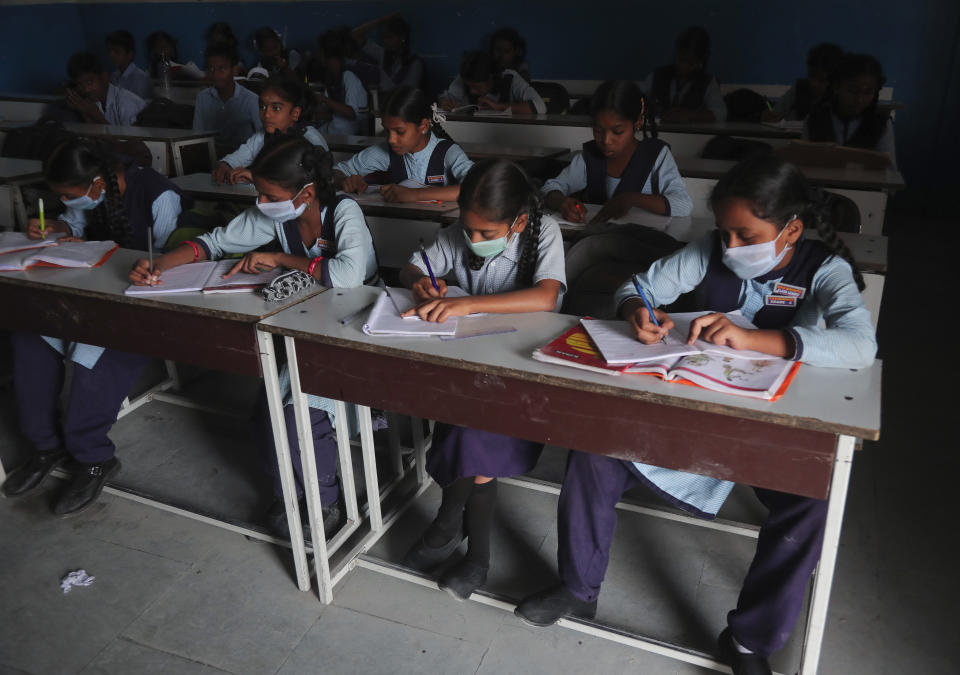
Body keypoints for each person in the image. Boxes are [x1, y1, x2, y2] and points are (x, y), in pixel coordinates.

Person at [515, 155, 877, 675]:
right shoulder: (706, 251)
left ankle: (751, 639)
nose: (730, 248)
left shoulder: (825, 268)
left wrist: (759, 340)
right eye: (724, 233)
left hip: (770, 424)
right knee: (594, 448)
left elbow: (860, 345)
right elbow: (637, 287)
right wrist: (636, 311)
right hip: (691, 405)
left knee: (810, 498)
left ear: (791, 229)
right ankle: (578, 586)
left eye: (745, 235)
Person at [129, 137, 379, 537]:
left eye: (268, 195)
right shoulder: (276, 213)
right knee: (269, 410)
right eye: (259, 194)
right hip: (303, 319)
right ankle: (287, 490)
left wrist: (281, 258)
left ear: (307, 193)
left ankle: (326, 497)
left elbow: (349, 276)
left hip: (353, 324)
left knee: (302, 409)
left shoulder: (343, 211)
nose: (261, 202)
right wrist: (158, 265)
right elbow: (214, 242)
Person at [398, 159, 566, 599]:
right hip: (469, 361)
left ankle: (459, 536)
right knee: (461, 423)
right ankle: (461, 541)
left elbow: (548, 297)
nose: (473, 240)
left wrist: (467, 304)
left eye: (486, 234)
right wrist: (421, 285)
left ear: (519, 221)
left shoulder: (543, 231)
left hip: (522, 369)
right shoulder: (461, 233)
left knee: (472, 433)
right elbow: (412, 267)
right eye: (467, 229)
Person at [1, 139, 188, 515]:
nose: (68, 202)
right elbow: (76, 228)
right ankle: (45, 445)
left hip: (136, 306)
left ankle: (93, 457)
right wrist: (55, 227)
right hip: (84, 294)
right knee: (28, 339)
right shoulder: (90, 191)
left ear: (98, 186)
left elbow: (165, 261)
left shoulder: (158, 195)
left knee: (93, 360)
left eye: (70, 196)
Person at [541, 80, 691, 311]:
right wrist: (562, 201)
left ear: (637, 123)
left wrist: (629, 198)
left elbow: (682, 204)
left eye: (617, 131)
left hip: (638, 250)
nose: (606, 140)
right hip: (594, 250)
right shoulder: (589, 157)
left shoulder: (655, 156)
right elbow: (549, 187)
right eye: (598, 131)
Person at [335, 85, 472, 203]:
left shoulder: (448, 152)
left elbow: (476, 187)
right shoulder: (387, 151)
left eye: (399, 132)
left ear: (423, 126)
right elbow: (336, 171)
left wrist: (414, 195)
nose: (391, 140)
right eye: (387, 131)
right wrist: (344, 181)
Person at [212, 72, 327, 184]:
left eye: (276, 108)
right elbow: (236, 158)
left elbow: (316, 178)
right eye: (262, 107)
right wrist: (225, 165)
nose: (266, 114)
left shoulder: (310, 138)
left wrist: (257, 177)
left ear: (295, 113)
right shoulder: (262, 136)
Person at [804, 53, 896, 168]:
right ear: (836, 87)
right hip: (820, 185)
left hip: (865, 186)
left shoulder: (882, 124)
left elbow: (889, 171)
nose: (860, 99)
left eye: (868, 93)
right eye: (853, 91)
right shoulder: (815, 119)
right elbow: (803, 164)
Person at [641, 26, 726, 122]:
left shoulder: (707, 82)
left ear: (701, 62)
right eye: (681, 59)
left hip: (690, 134)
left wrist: (690, 115)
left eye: (690, 63)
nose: (683, 66)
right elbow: (636, 102)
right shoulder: (657, 76)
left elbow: (721, 113)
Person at [193, 43, 262, 155]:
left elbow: (261, 137)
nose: (215, 74)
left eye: (221, 69)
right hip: (211, 158)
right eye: (211, 68)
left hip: (243, 160)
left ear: (234, 70)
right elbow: (197, 134)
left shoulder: (251, 100)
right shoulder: (202, 98)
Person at [438, 50, 545, 114]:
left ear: (491, 78)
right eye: (468, 86)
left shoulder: (511, 79)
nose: (472, 91)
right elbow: (444, 98)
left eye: (477, 87)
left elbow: (539, 107)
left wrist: (499, 106)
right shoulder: (465, 78)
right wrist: (444, 102)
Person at [765, 43, 844, 122]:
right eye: (811, 76)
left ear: (834, 82)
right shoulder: (800, 88)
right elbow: (775, 114)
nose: (814, 84)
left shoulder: (838, 98)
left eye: (822, 80)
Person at [65, 51, 146, 127]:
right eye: (80, 84)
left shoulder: (126, 103)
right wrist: (85, 113)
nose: (86, 89)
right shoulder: (92, 102)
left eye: (90, 82)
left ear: (104, 78)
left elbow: (132, 141)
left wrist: (96, 116)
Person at [352, 13, 426, 94]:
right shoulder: (383, 54)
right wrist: (382, 20)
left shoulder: (414, 62)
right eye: (384, 37)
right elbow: (354, 36)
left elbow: (407, 93)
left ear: (402, 37)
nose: (386, 41)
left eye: (390, 37)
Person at [314, 28, 369, 135]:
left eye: (319, 51)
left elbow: (351, 113)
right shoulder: (332, 77)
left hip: (349, 134)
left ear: (326, 53)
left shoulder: (349, 76)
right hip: (334, 129)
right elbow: (334, 114)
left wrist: (323, 99)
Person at [106, 29, 152, 100]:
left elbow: (139, 105)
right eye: (109, 51)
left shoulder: (140, 78)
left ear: (130, 54)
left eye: (116, 51)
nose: (111, 55)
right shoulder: (114, 76)